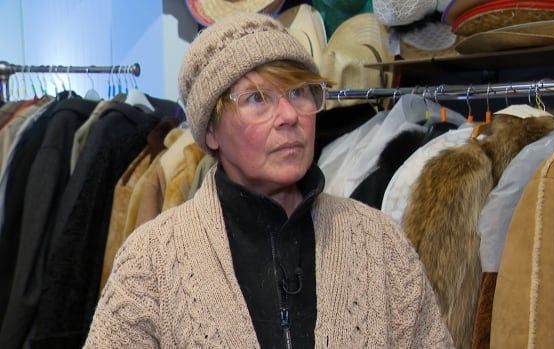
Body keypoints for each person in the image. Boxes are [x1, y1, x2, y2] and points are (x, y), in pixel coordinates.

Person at [84, 12, 453, 348]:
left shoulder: (381, 245)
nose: (289, 115)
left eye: (299, 93)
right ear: (211, 131)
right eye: (258, 98)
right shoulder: (152, 262)